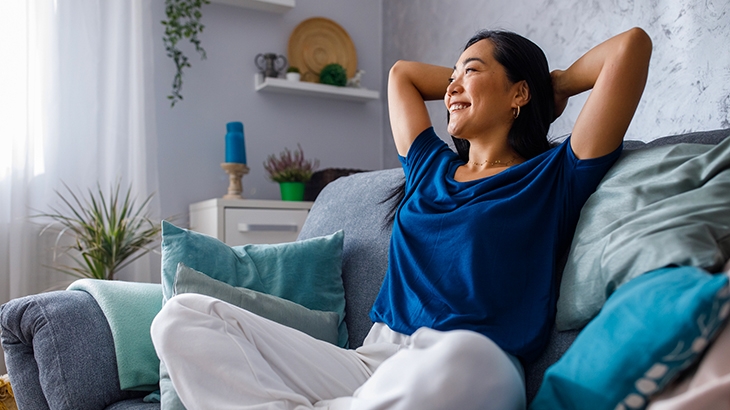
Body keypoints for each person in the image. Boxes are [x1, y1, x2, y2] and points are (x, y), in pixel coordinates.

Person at [151, 27, 652, 410]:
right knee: (184, 317)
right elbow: (402, 76)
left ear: (519, 94)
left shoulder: (554, 175)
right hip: (372, 360)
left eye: (470, 71)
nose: (453, 85)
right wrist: (471, 79)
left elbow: (630, 47)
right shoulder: (430, 168)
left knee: (464, 360)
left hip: (471, 362)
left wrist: (550, 84)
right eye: (451, 75)